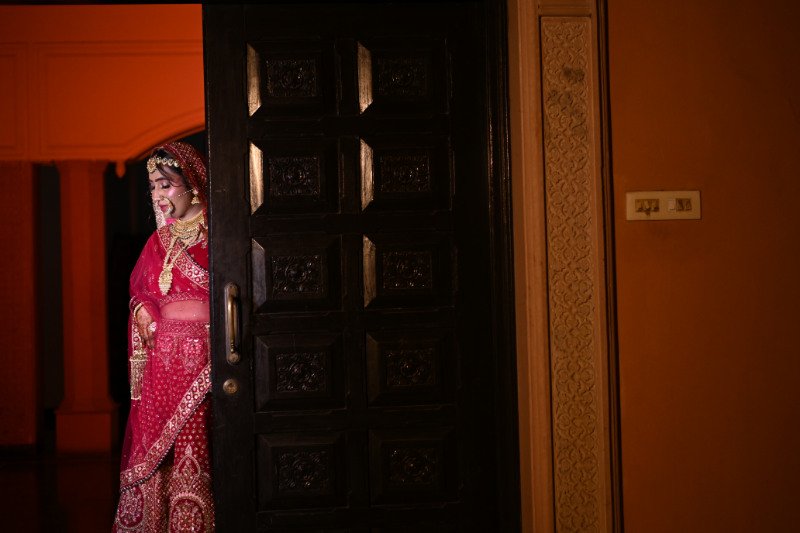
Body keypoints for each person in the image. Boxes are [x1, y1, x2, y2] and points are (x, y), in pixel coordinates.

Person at [113, 141, 214, 532]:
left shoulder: (220, 236)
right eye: (153, 186)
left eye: (166, 185)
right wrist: (141, 309)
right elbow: (141, 291)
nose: (158, 195)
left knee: (197, 442)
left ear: (192, 185)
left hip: (206, 365)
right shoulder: (158, 241)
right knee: (161, 450)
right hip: (163, 368)